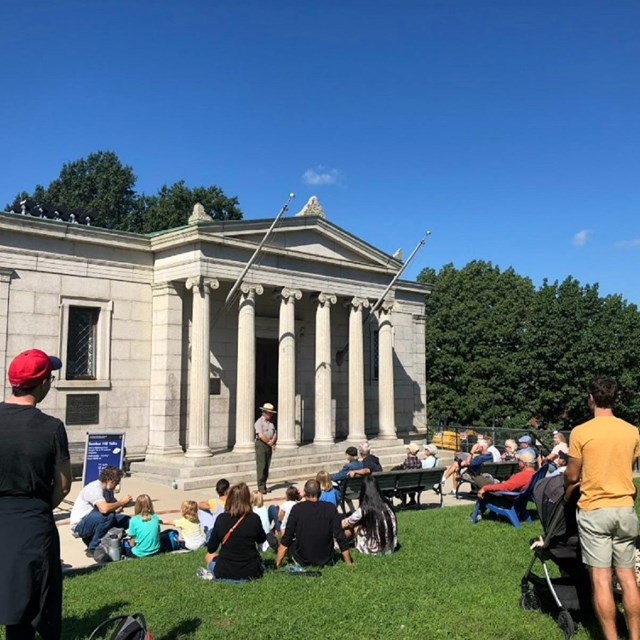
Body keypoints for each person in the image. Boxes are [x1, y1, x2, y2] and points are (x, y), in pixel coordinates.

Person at [0, 349, 72, 640]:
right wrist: (42, 506)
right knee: (30, 605)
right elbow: (64, 484)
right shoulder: (51, 428)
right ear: (43, 383)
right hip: (32, 523)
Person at [564, 378, 640, 640]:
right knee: (628, 578)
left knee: (601, 579)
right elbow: (625, 467)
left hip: (595, 509)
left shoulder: (581, 432)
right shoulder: (632, 431)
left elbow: (572, 475)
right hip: (625, 508)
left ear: (591, 398)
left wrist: (569, 485)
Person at [275, 479, 352, 569]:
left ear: (305, 493)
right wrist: (349, 563)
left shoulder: (297, 509)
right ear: (320, 493)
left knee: (286, 540)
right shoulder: (330, 508)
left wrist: (277, 564)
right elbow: (340, 536)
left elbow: (287, 537)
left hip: (302, 560)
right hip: (326, 558)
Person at [203, 482, 267, 581]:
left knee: (209, 556)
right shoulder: (254, 518)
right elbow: (261, 538)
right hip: (250, 571)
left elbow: (211, 548)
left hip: (224, 571)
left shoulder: (221, 519)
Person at [70, 466, 132, 556]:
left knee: (127, 520)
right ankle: (93, 548)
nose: (117, 485)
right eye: (116, 482)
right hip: (80, 525)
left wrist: (122, 504)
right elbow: (104, 509)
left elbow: (116, 509)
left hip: (95, 519)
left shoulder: (108, 490)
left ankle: (109, 541)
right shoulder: (94, 488)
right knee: (108, 517)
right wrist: (121, 502)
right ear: (109, 480)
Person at [342, 476, 397, 555]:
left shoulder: (364, 509)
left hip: (375, 550)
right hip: (390, 548)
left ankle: (337, 543)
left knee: (354, 525)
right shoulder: (387, 505)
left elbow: (344, 523)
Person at [123, 494, 161, 558]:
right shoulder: (155, 517)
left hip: (139, 553)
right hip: (156, 550)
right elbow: (158, 534)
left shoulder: (133, 520)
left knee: (124, 543)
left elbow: (132, 543)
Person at [254, 403, 277, 494]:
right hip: (261, 445)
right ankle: (260, 486)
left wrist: (273, 441)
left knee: (267, 465)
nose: (271, 415)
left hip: (268, 445)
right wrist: (269, 442)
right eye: (270, 413)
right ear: (265, 412)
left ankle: (264, 485)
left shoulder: (271, 423)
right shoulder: (259, 422)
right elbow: (260, 435)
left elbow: (274, 433)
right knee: (261, 465)